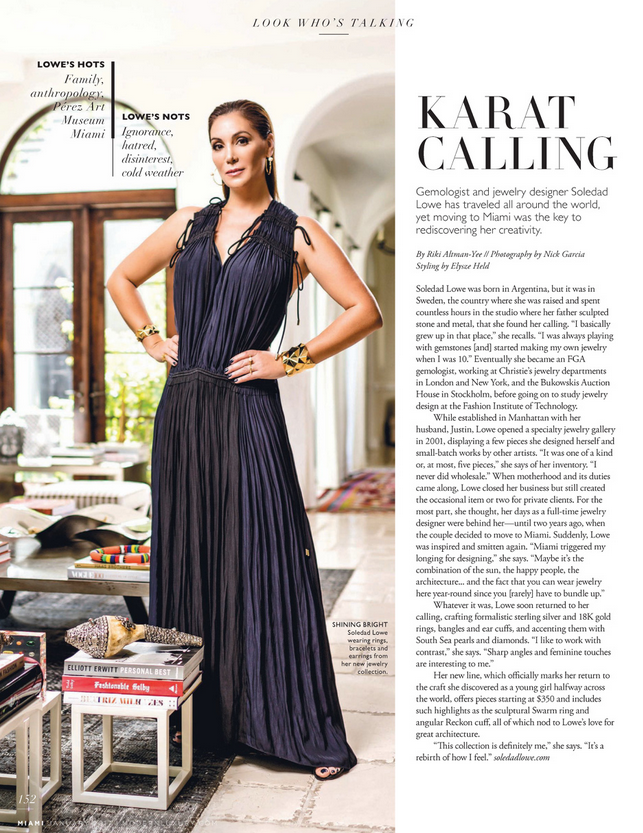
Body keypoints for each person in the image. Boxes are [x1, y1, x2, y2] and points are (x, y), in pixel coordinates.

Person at [106, 99, 383, 781]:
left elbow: (364, 311)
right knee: (193, 554)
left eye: (241, 141)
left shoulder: (296, 233)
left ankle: (288, 723)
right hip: (184, 409)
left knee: (263, 556)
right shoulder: (188, 224)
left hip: (248, 409)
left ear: (265, 146)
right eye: (217, 144)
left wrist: (286, 360)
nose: (229, 154)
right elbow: (121, 279)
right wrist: (151, 339)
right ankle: (207, 718)